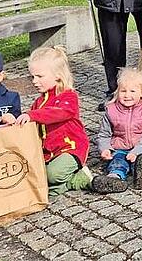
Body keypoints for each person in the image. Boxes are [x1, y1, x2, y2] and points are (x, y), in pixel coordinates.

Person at [6, 48, 92, 195]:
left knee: (52, 174)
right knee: (34, 175)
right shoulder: (38, 102)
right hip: (49, 153)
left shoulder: (68, 96)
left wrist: (31, 115)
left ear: (58, 76)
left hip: (70, 149)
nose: (34, 81)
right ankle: (55, 188)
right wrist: (13, 122)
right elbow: (32, 124)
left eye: (39, 76)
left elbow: (59, 113)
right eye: (32, 76)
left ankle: (79, 179)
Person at [92, 68, 142, 194]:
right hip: (119, 148)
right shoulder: (111, 111)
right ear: (117, 91)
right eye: (123, 91)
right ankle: (114, 179)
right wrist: (105, 148)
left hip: (140, 148)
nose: (127, 95)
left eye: (132, 91)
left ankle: (139, 172)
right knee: (117, 163)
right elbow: (104, 134)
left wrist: (138, 151)